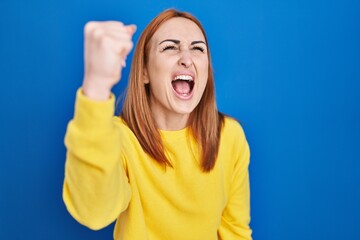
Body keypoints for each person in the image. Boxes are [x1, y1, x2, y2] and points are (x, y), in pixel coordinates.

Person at [62, 9, 252, 240]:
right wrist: (96, 84)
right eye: (170, 47)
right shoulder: (119, 138)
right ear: (144, 72)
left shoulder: (230, 136)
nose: (186, 58)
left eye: (197, 48)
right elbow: (94, 212)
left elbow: (235, 232)